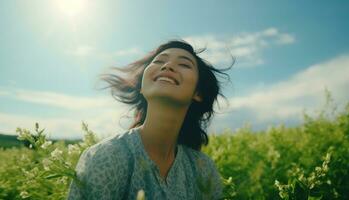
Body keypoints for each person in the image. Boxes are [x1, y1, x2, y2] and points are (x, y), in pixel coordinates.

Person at [67, 40, 233, 200]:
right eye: (159, 61)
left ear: (199, 93)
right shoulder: (108, 156)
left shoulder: (203, 169)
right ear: (142, 86)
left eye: (184, 64)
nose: (167, 66)